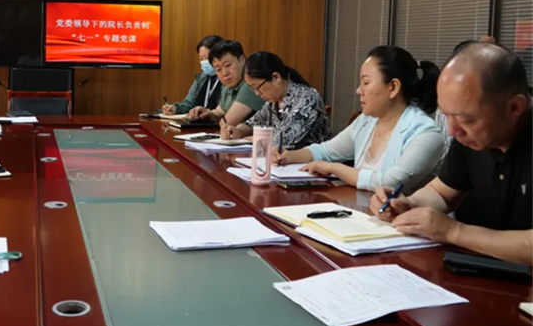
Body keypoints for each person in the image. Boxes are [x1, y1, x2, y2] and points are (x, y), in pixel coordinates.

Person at [371, 43, 532, 264]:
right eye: (447, 115)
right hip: (472, 268)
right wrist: (409, 204)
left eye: (466, 119)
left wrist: (453, 232)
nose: (452, 131)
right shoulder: (470, 137)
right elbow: (442, 192)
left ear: (515, 108)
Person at [274, 46, 445, 194]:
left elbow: (389, 183)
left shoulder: (426, 133)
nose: (358, 90)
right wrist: (289, 156)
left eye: (366, 83)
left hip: (398, 219)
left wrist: (333, 168)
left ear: (393, 87)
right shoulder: (367, 121)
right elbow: (326, 151)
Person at [221, 52, 331, 149]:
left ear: (276, 78)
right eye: (252, 88)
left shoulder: (307, 98)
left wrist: (253, 139)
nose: (257, 93)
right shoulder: (273, 101)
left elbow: (283, 140)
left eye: (257, 87)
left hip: (310, 163)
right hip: (280, 161)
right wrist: (237, 131)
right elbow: (253, 123)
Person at [187, 40, 265, 127]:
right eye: (218, 69)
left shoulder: (251, 85)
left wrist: (219, 118)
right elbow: (219, 112)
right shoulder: (228, 86)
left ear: (242, 60)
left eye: (228, 65)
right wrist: (207, 113)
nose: (224, 73)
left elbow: (227, 122)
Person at [163, 35, 223, 115]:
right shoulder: (201, 78)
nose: (204, 62)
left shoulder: (226, 78)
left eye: (207, 58)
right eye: (201, 59)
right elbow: (189, 103)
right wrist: (176, 108)